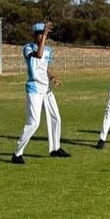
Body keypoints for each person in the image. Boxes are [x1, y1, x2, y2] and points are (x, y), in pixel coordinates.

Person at [11, 21, 70, 163]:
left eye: (44, 34)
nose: (42, 36)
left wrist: (52, 77)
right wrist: (44, 35)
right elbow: (38, 55)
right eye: (40, 34)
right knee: (34, 122)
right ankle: (17, 153)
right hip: (34, 88)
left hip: (46, 89)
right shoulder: (27, 48)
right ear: (35, 35)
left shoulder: (49, 50)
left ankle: (55, 148)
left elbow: (44, 67)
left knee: (56, 117)